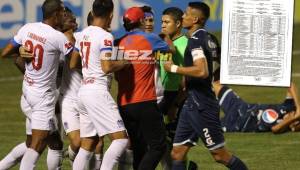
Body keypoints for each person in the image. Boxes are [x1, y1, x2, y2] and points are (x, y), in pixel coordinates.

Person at [163, 2, 248, 170]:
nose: (182, 17)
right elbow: (217, 69)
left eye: (186, 14)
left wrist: (173, 68)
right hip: (192, 103)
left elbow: (202, 71)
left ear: (194, 19)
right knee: (177, 153)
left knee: (220, 155)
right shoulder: (210, 38)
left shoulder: (195, 41)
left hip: (202, 105)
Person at [0, 0, 73, 169]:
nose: (65, 15)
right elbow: (76, 59)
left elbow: (5, 53)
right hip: (43, 98)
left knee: (33, 143)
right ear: (55, 14)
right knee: (40, 145)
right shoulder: (58, 38)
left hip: (28, 93)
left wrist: (20, 51)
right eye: (63, 12)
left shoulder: (28, 28)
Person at [70, 0, 128, 170]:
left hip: (83, 91)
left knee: (88, 143)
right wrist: (124, 62)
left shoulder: (80, 34)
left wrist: (90, 66)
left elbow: (73, 63)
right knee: (121, 139)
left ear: (93, 12)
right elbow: (107, 67)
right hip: (97, 92)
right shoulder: (105, 36)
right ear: (111, 14)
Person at [114, 6, 170, 170]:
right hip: (145, 102)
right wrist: (165, 35)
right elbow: (171, 49)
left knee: (139, 148)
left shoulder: (118, 42)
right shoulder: (150, 39)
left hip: (124, 103)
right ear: (141, 21)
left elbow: (117, 74)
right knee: (158, 147)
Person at [213, 81, 300, 133]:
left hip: (236, 123)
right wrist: (298, 107)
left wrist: (290, 120)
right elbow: (290, 85)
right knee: (214, 85)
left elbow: (275, 129)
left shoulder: (283, 125)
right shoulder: (289, 106)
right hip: (241, 106)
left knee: (205, 125)